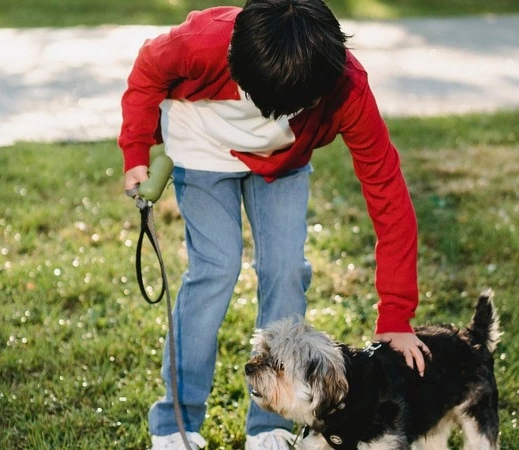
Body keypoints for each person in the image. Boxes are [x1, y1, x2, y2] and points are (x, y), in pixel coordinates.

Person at [118, 0, 429, 448]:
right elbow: (148, 69)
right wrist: (135, 149)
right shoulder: (201, 42)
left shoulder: (347, 86)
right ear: (233, 62)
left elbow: (388, 195)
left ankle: (271, 425)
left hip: (285, 161)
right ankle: (175, 422)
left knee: (285, 271)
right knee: (215, 269)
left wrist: (397, 313)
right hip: (202, 144)